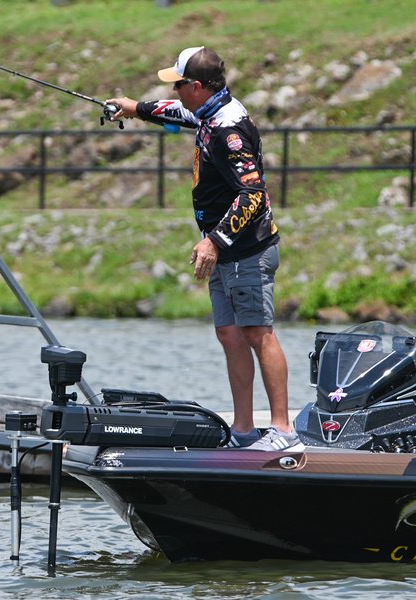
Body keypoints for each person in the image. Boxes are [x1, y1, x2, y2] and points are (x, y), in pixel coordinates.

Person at [106, 46, 300, 451]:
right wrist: (133, 108)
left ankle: (283, 431)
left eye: (177, 84)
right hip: (225, 252)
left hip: (248, 250)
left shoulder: (229, 131)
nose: (174, 91)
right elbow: (178, 114)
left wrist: (214, 240)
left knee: (258, 333)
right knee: (230, 334)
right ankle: (244, 431)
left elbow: (254, 195)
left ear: (195, 85)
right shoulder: (208, 109)